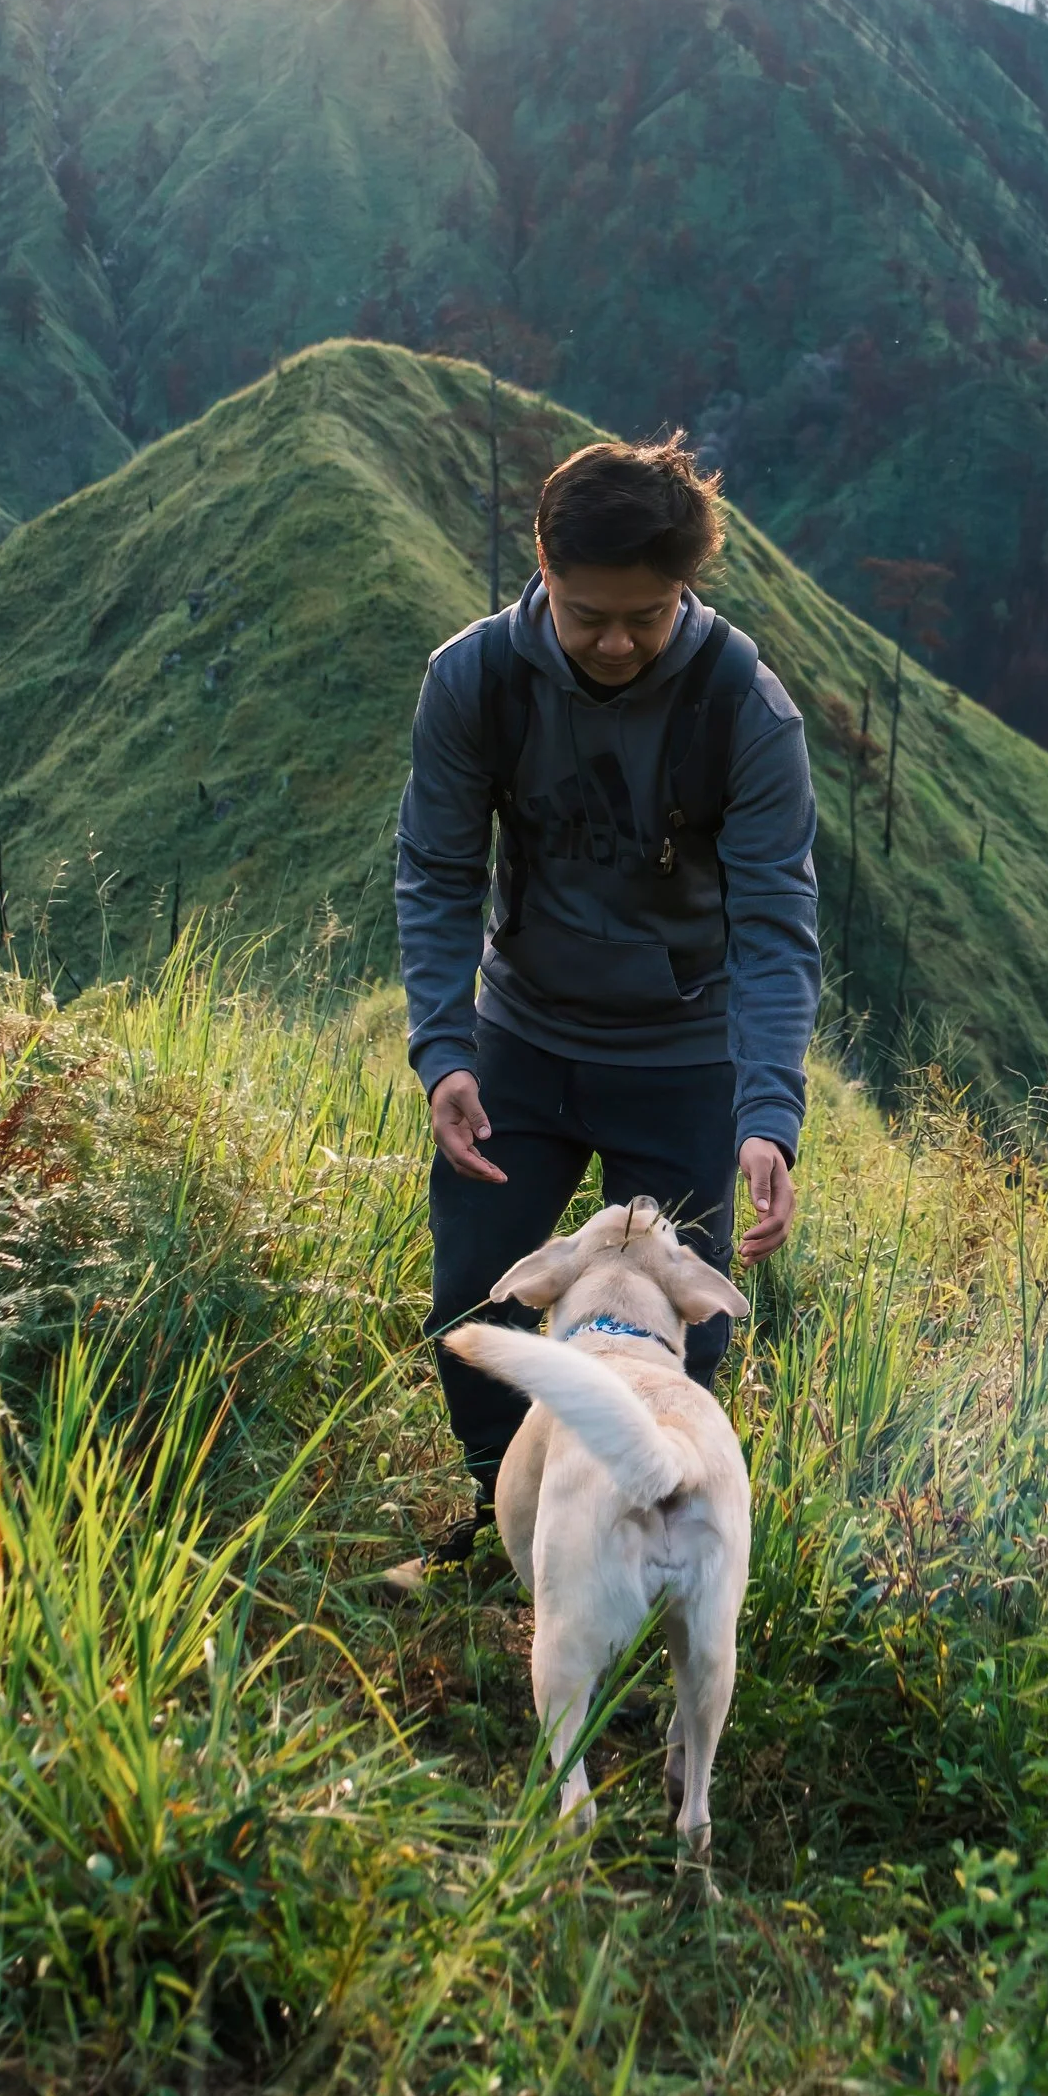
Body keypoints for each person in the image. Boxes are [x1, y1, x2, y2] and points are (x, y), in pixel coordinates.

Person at [394, 431, 822, 1568]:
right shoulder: (473, 681)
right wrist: (445, 1050)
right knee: (473, 1311)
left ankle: (645, 1556)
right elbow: (436, 872)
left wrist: (766, 1114)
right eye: (591, 616)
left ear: (688, 587)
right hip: (520, 1047)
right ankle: (507, 1527)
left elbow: (776, 924)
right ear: (541, 562)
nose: (620, 641)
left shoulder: (745, 711)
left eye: (651, 613)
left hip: (682, 1063)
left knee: (675, 1349)